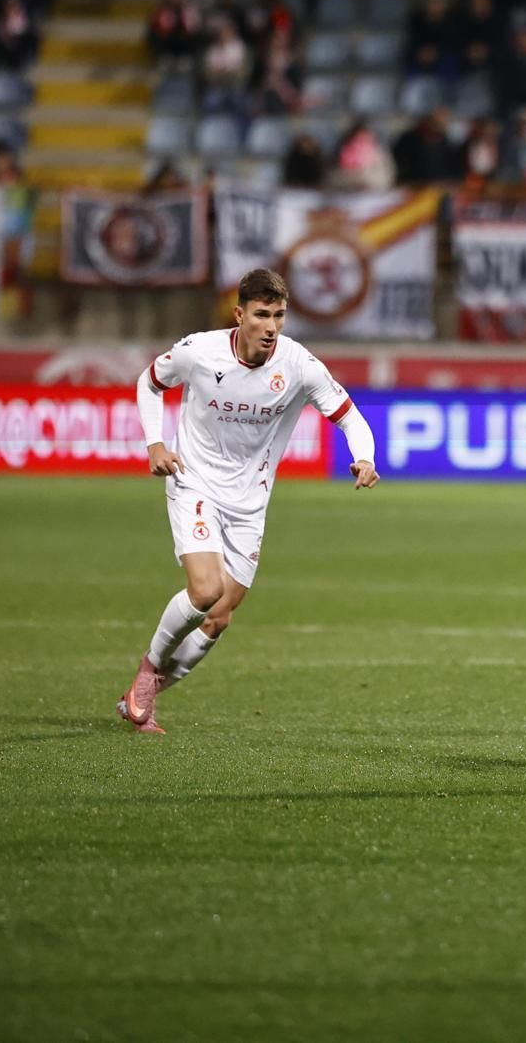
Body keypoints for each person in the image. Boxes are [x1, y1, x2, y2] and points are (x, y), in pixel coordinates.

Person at [116, 268, 379, 734]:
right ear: (240, 315)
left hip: (249, 502)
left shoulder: (300, 365)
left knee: (218, 618)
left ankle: (146, 695)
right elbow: (150, 382)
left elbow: (350, 416)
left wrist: (363, 458)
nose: (272, 325)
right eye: (262, 314)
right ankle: (148, 667)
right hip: (193, 480)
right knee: (204, 591)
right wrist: (154, 442)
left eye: (279, 315)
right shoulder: (199, 351)